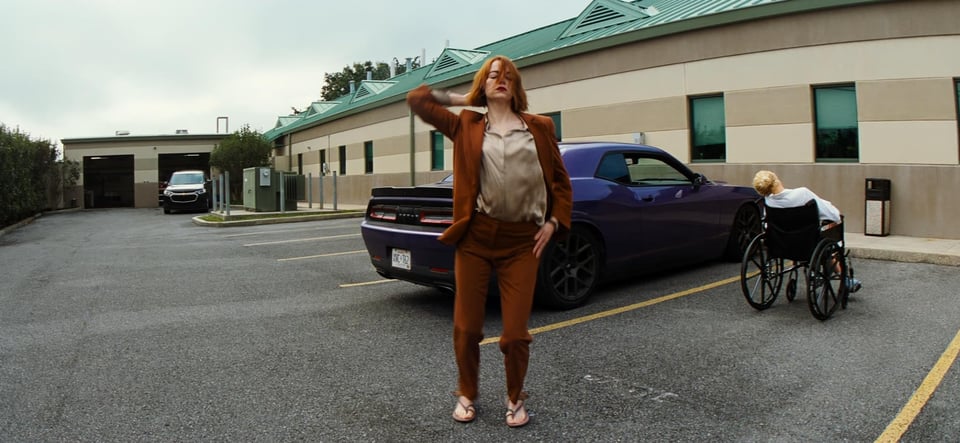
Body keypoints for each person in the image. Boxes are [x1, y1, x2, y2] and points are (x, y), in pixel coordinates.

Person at [406, 55, 573, 428]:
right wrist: (466, 98)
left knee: (515, 334)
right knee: (466, 326)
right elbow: (418, 99)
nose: (501, 80)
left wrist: (555, 222)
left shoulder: (540, 127)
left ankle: (515, 398)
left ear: (516, 86)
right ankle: (467, 392)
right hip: (477, 237)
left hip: (522, 242)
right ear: (483, 83)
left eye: (507, 76)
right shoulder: (467, 124)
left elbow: (561, 182)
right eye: (493, 75)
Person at [752, 170, 861, 292]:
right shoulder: (802, 194)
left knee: (796, 235)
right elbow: (832, 214)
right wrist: (836, 215)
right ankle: (845, 279)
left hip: (781, 244)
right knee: (827, 238)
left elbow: (767, 224)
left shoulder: (769, 201)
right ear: (777, 180)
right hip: (807, 243)